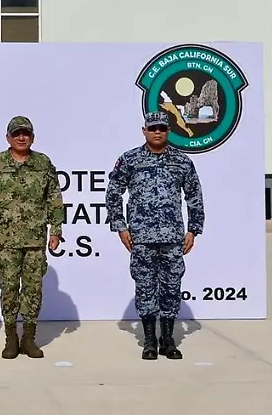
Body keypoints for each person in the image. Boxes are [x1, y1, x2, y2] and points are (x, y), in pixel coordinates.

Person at [105, 110, 205, 361]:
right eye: (153, 128)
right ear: (144, 131)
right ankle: (149, 341)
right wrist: (120, 226)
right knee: (145, 287)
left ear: (168, 131)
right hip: (141, 237)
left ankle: (168, 340)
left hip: (173, 237)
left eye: (162, 128)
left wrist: (193, 229)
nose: (157, 132)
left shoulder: (181, 161)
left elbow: (194, 196)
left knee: (172, 287)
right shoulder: (130, 160)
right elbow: (113, 192)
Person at [0, 115, 65, 360]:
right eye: (16, 134)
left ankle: (28, 339)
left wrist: (56, 230)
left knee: (33, 290)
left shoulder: (43, 163)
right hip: (4, 241)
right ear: (8, 138)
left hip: (35, 240)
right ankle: (11, 339)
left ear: (33, 137)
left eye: (25, 133)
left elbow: (54, 198)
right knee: (8, 289)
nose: (21, 137)